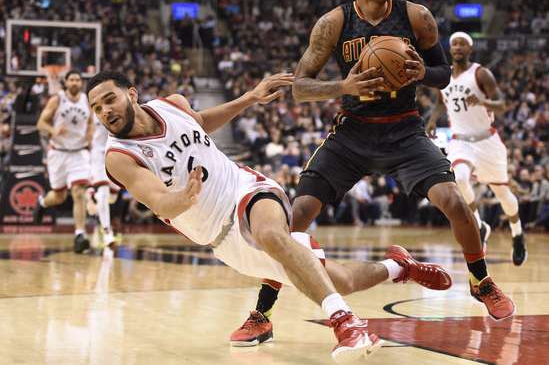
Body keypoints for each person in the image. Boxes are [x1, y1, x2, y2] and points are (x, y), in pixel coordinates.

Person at [233, 0, 515, 346]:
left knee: (453, 200)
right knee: (294, 217)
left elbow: (441, 74)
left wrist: (423, 73)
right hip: (353, 132)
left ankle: (481, 281)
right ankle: (262, 314)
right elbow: (300, 86)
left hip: (404, 130)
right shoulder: (333, 23)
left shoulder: (417, 16)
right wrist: (342, 87)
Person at [87, 70, 453, 364]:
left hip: (245, 189)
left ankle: (346, 323)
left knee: (270, 233)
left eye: (110, 99)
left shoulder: (172, 104)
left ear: (131, 94)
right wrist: (182, 198)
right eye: (97, 108)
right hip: (220, 237)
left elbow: (199, 122)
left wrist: (249, 98)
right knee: (338, 279)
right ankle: (398, 267)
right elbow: (159, 202)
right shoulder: (119, 156)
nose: (105, 111)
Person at [426, 31, 527, 266]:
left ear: (470, 49)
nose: (458, 47)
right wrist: (433, 119)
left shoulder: (481, 73)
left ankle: (518, 234)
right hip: (460, 140)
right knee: (459, 177)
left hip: (487, 141)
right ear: (450, 49)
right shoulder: (444, 77)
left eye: (463, 44)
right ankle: (479, 225)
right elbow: (442, 103)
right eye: (454, 44)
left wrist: (483, 102)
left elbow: (502, 105)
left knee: (503, 194)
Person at [34, 70, 94, 253]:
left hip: (78, 153)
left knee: (78, 191)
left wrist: (90, 134)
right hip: (58, 153)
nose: (75, 82)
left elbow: (91, 122)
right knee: (59, 196)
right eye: (72, 80)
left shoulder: (87, 100)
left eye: (78, 79)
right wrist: (53, 131)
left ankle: (80, 235)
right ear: (66, 82)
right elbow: (40, 123)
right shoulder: (57, 100)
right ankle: (43, 203)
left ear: (81, 83)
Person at [88, 115, 117, 248]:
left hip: (117, 152)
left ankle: (93, 197)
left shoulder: (122, 107)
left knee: (112, 198)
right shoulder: (90, 111)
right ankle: (107, 231)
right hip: (98, 154)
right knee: (104, 192)